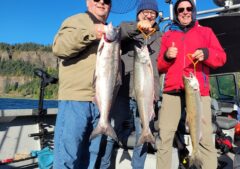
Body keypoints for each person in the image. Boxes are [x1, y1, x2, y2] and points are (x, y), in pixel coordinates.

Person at [156, 0, 227, 169]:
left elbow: (222, 57)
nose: (185, 12)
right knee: (165, 138)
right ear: (176, 13)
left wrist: (207, 53)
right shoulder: (167, 36)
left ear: (193, 11)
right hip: (172, 92)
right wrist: (166, 56)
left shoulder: (206, 32)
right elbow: (158, 66)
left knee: (205, 140)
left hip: (197, 92)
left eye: (189, 8)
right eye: (181, 9)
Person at [96, 0, 162, 168]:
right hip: (123, 94)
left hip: (147, 95)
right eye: (144, 12)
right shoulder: (126, 30)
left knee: (143, 134)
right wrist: (138, 26)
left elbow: (164, 64)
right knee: (111, 134)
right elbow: (120, 31)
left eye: (152, 13)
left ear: (156, 15)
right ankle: (104, 166)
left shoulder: (161, 37)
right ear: (138, 14)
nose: (148, 15)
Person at [52, 0, 112, 168]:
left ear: (110, 6)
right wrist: (92, 32)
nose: (102, 2)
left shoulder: (110, 31)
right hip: (75, 100)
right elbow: (59, 48)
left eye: (107, 0)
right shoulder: (76, 20)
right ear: (88, 2)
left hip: (101, 104)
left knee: (90, 161)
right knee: (66, 158)